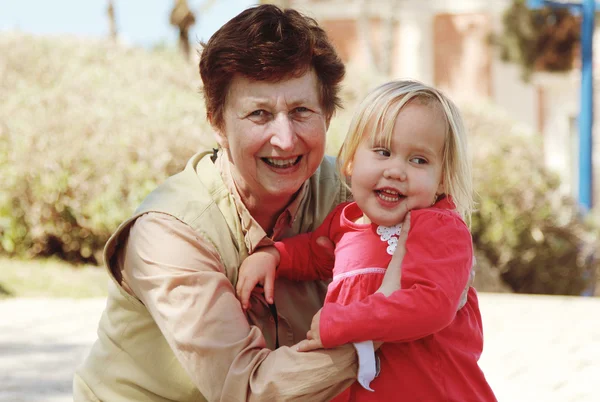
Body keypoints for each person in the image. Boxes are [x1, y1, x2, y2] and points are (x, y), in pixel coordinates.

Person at [72, 4, 411, 402]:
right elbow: (249, 391)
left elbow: (445, 266)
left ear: (328, 116)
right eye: (259, 114)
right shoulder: (167, 233)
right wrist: (385, 323)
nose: (284, 140)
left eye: (301, 111)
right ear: (217, 123)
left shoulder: (358, 196)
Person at [236, 80, 497, 401]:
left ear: (442, 178)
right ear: (350, 160)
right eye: (383, 152)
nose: (396, 170)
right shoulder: (347, 220)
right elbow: (315, 254)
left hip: (434, 391)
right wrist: (276, 256)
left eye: (419, 160)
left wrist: (343, 322)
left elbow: (431, 306)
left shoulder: (439, 226)